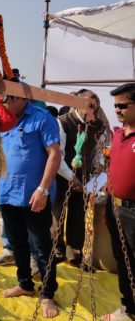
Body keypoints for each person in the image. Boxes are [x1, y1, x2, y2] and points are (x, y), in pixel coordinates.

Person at [0, 93, 61, 318]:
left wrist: (43, 189)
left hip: (34, 195)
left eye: (11, 99)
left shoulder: (42, 118)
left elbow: (54, 154)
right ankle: (25, 283)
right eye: (3, 99)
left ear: (23, 98)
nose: (7, 103)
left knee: (42, 246)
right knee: (17, 245)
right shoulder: (2, 119)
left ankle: (47, 294)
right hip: (7, 193)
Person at [53, 89, 105, 267]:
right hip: (61, 175)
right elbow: (57, 156)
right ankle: (56, 248)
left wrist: (92, 181)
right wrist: (70, 178)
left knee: (78, 215)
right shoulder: (63, 122)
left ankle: (74, 253)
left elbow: (101, 154)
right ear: (77, 103)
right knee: (56, 213)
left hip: (85, 180)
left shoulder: (99, 126)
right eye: (89, 106)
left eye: (95, 108)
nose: (93, 112)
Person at [103, 83, 135, 321]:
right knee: (123, 259)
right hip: (114, 207)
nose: (117, 109)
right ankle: (128, 308)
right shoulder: (117, 134)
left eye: (122, 105)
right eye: (115, 105)